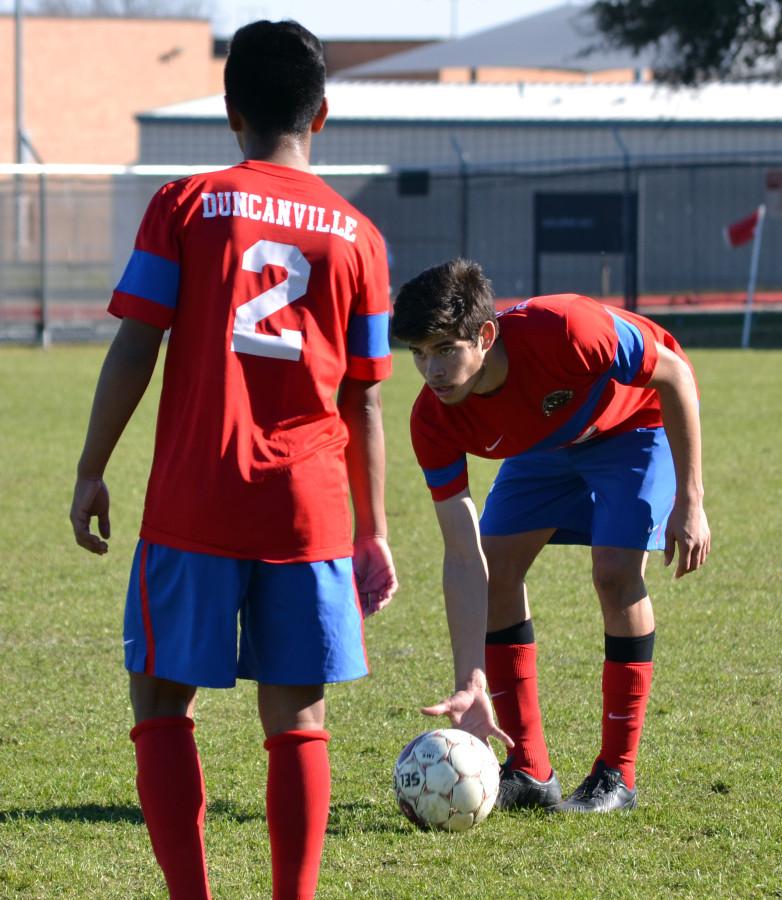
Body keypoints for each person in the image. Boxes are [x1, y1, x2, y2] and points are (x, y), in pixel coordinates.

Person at [70, 20, 397, 898]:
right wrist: (374, 531)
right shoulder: (360, 236)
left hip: (196, 498)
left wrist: (91, 466)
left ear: (229, 111)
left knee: (161, 702)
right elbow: (364, 396)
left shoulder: (184, 204)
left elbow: (137, 346)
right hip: (310, 506)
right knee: (297, 715)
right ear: (322, 114)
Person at [391, 258, 709, 813]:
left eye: (446, 349)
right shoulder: (432, 420)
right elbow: (464, 558)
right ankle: (530, 771)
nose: (431, 369)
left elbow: (675, 375)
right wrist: (470, 678)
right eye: (418, 352)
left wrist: (691, 500)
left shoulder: (566, 329)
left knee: (614, 573)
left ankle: (618, 775)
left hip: (636, 424)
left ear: (485, 336)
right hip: (544, 446)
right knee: (497, 567)